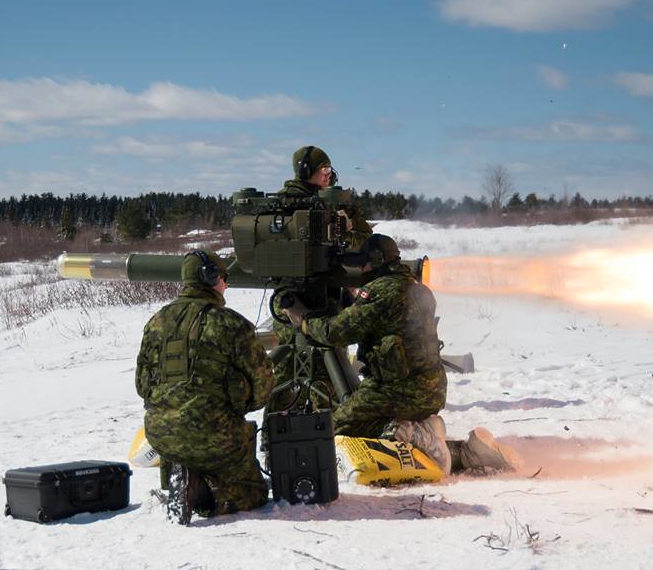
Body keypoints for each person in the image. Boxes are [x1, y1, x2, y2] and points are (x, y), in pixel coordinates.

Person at [283, 234, 519, 475]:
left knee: (336, 429)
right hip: (431, 390)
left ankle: (413, 433)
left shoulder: (379, 292)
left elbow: (335, 332)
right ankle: (457, 450)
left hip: (395, 390)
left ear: (375, 261)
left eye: (363, 263)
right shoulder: (418, 289)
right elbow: (381, 321)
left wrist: (303, 317)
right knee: (369, 425)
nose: (361, 269)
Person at [135, 249, 274, 525]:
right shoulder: (231, 323)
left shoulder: (156, 322)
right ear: (210, 278)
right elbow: (263, 384)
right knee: (254, 494)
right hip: (217, 437)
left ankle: (181, 475)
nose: (227, 284)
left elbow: (142, 385)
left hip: (161, 436)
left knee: (188, 447)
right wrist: (241, 403)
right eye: (223, 277)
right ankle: (201, 492)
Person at [267, 145, 374, 412]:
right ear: (307, 172)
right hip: (299, 306)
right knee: (292, 378)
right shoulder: (282, 205)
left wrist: (345, 228)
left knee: (307, 376)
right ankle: (325, 432)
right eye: (323, 170)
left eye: (329, 170)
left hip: (314, 301)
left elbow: (365, 241)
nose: (328, 174)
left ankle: (310, 430)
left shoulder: (336, 201)